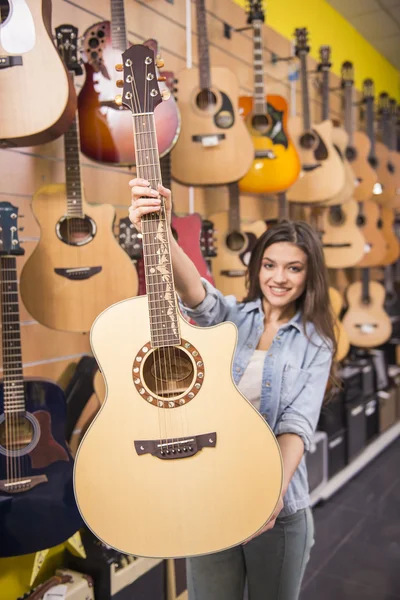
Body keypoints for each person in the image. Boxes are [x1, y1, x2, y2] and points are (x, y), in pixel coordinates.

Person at [128, 179, 336, 600]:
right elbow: (194, 292)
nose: (279, 278)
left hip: (278, 507)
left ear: (309, 273)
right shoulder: (232, 318)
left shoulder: (317, 342)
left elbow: (297, 424)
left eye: (293, 268)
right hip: (212, 493)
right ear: (256, 267)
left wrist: (270, 493)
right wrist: (161, 231)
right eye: (270, 265)